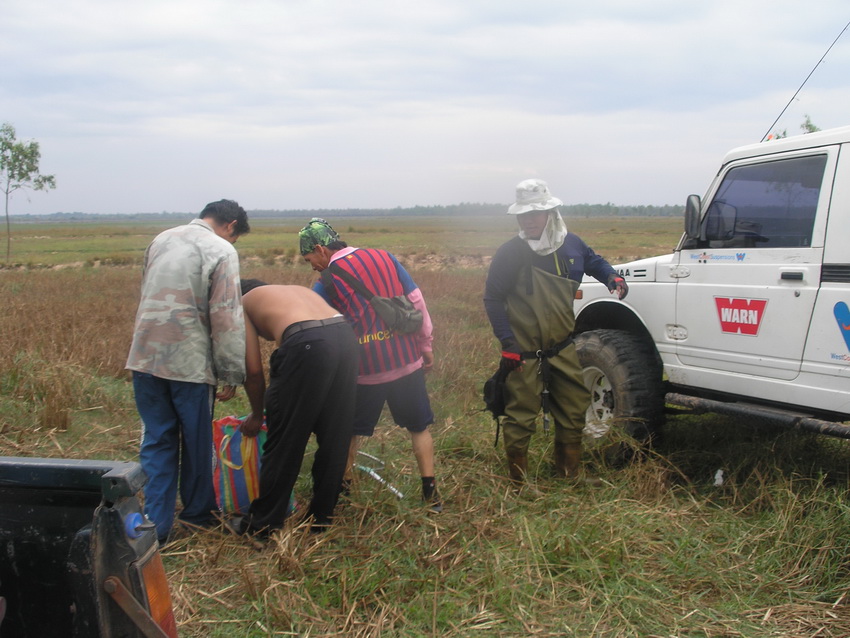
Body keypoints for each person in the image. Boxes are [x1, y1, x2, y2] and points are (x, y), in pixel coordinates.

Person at [483, 179, 628, 487]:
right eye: (523, 215)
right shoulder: (510, 253)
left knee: (575, 408)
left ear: (551, 212)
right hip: (521, 351)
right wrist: (507, 344)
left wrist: (611, 276)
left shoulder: (571, 243)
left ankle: (568, 475)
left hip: (562, 347)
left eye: (535, 213)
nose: (528, 220)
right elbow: (492, 299)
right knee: (521, 416)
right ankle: (520, 484)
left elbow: (593, 261)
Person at [126, 199, 250, 543]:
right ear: (231, 225)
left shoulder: (161, 239)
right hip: (189, 364)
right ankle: (198, 517)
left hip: (145, 357)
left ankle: (155, 528)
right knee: (196, 444)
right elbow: (226, 316)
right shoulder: (221, 249)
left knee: (157, 441)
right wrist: (230, 373)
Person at [298, 218, 442, 512]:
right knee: (419, 428)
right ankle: (432, 495)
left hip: (365, 373)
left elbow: (311, 321)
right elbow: (417, 300)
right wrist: (425, 345)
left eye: (308, 258)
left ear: (320, 249)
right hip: (406, 361)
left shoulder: (327, 280)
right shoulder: (384, 256)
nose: (311, 265)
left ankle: (344, 491)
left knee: (348, 433)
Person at [229, 279, 359, 534]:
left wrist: (258, 415)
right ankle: (321, 518)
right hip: (345, 337)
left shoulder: (240, 304)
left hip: (307, 341)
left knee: (285, 439)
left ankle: (263, 525)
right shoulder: (294, 292)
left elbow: (253, 372)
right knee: (335, 436)